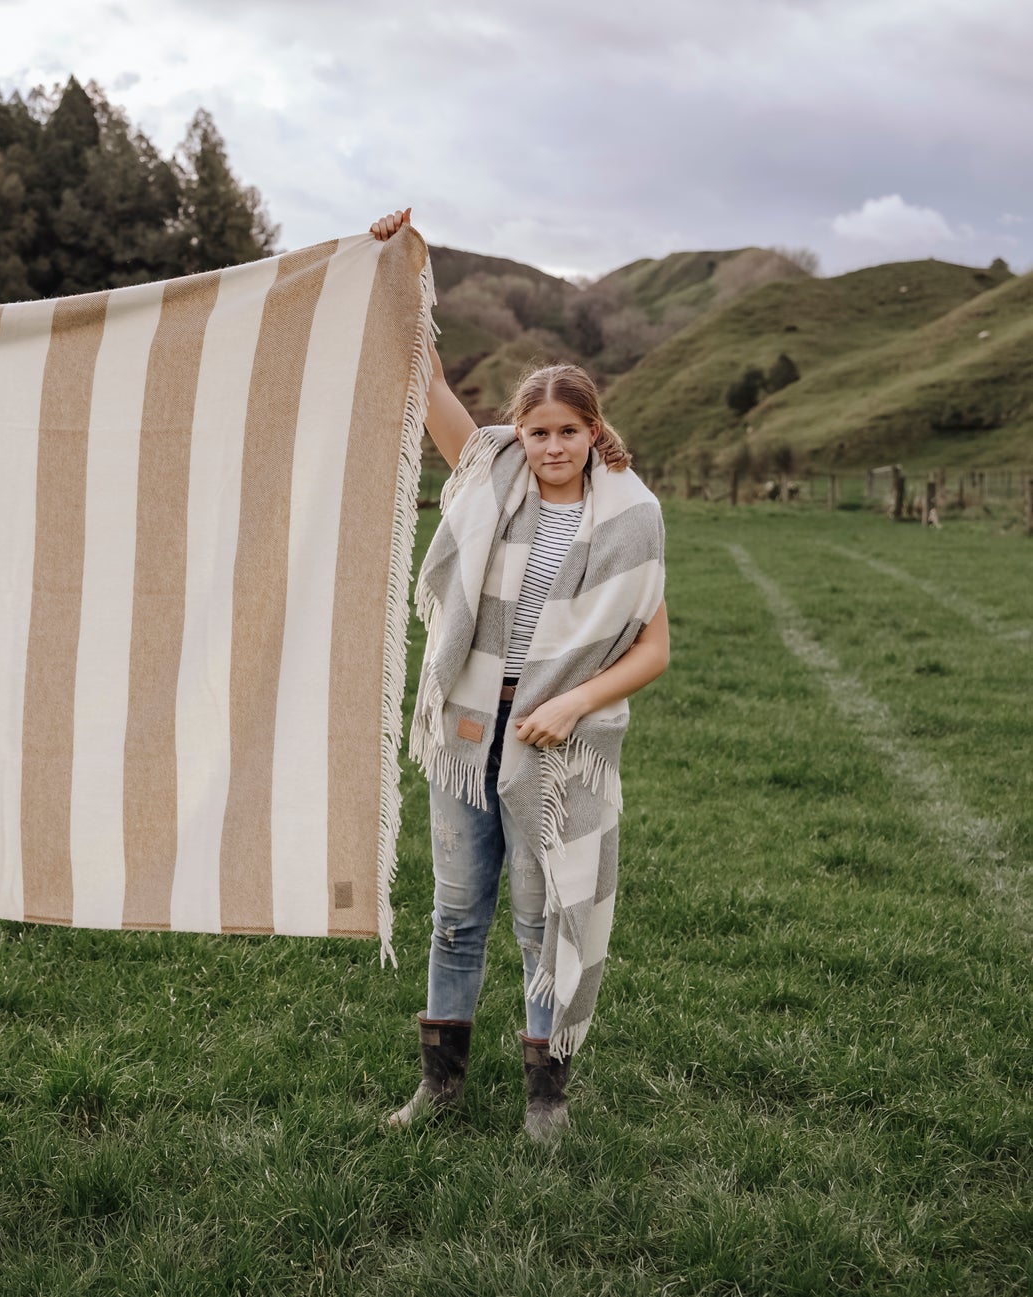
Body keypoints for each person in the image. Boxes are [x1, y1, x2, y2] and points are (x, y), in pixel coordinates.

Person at [371, 210, 669, 1141]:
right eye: (535, 428)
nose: (548, 445)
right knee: (458, 914)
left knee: (546, 920)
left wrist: (572, 702)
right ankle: (442, 1087)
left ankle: (547, 1100)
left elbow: (654, 647)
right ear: (518, 428)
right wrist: (402, 264)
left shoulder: (629, 518)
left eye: (565, 430)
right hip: (466, 727)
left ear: (592, 430)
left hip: (558, 746)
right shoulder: (487, 471)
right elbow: (426, 383)